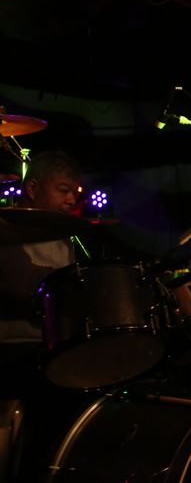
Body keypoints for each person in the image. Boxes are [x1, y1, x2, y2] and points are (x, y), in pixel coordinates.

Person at [0, 150, 83, 482]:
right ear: (32, 188)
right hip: (12, 346)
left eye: (74, 192)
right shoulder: (7, 230)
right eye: (63, 190)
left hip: (48, 348)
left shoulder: (63, 238)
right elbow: (22, 284)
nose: (71, 199)